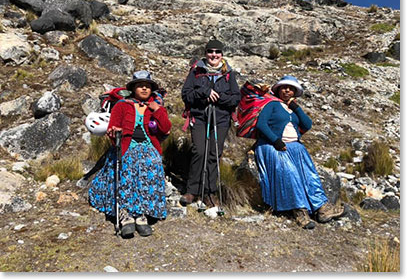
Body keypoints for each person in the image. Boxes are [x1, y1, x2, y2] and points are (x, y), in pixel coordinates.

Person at [88, 70, 171, 237]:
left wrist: (157, 110)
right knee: (128, 165)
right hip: (127, 146)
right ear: (134, 88)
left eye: (147, 86)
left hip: (148, 147)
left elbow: (166, 128)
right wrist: (114, 132)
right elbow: (112, 130)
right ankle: (125, 214)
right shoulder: (122, 106)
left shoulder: (155, 107)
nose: (144, 89)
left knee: (153, 164)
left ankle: (141, 214)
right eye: (140, 86)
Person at [254, 75, 344, 229]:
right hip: (273, 146)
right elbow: (261, 124)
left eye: (291, 88)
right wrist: (275, 140)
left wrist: (295, 107)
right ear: (278, 89)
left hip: (295, 147)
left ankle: (321, 208)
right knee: (290, 174)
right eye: (284, 88)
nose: (287, 90)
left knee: (310, 174)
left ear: (295, 92)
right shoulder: (271, 105)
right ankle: (299, 211)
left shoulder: (293, 108)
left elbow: (307, 124)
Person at [180, 38, 241, 208]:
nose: (214, 55)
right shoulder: (196, 71)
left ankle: (209, 192)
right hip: (199, 117)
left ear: (222, 55)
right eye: (210, 51)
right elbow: (186, 94)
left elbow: (236, 98)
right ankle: (192, 190)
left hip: (221, 119)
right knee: (199, 151)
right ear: (205, 53)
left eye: (217, 52)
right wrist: (205, 92)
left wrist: (219, 97)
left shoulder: (228, 74)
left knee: (214, 154)